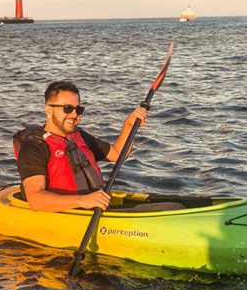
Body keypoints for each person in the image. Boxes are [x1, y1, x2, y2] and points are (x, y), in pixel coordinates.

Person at [12, 80, 148, 212]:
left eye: (79, 109)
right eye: (67, 109)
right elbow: (36, 199)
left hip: (93, 208)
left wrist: (129, 125)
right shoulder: (34, 147)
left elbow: (117, 154)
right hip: (67, 213)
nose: (74, 115)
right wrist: (83, 200)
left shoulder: (80, 136)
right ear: (48, 110)